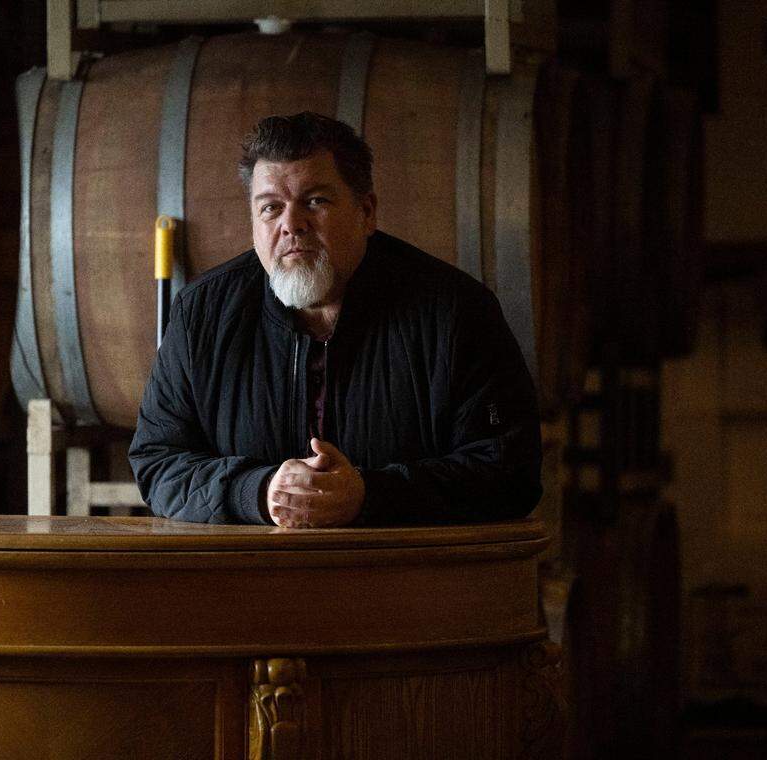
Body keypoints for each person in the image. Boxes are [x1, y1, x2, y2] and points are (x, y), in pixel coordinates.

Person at [128, 112, 541, 528]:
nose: (291, 225)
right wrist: (258, 490)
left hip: (405, 582)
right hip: (247, 583)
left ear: (366, 211)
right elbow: (158, 462)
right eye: (271, 208)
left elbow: (509, 471)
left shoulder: (456, 311)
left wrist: (369, 494)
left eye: (315, 201)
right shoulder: (201, 313)